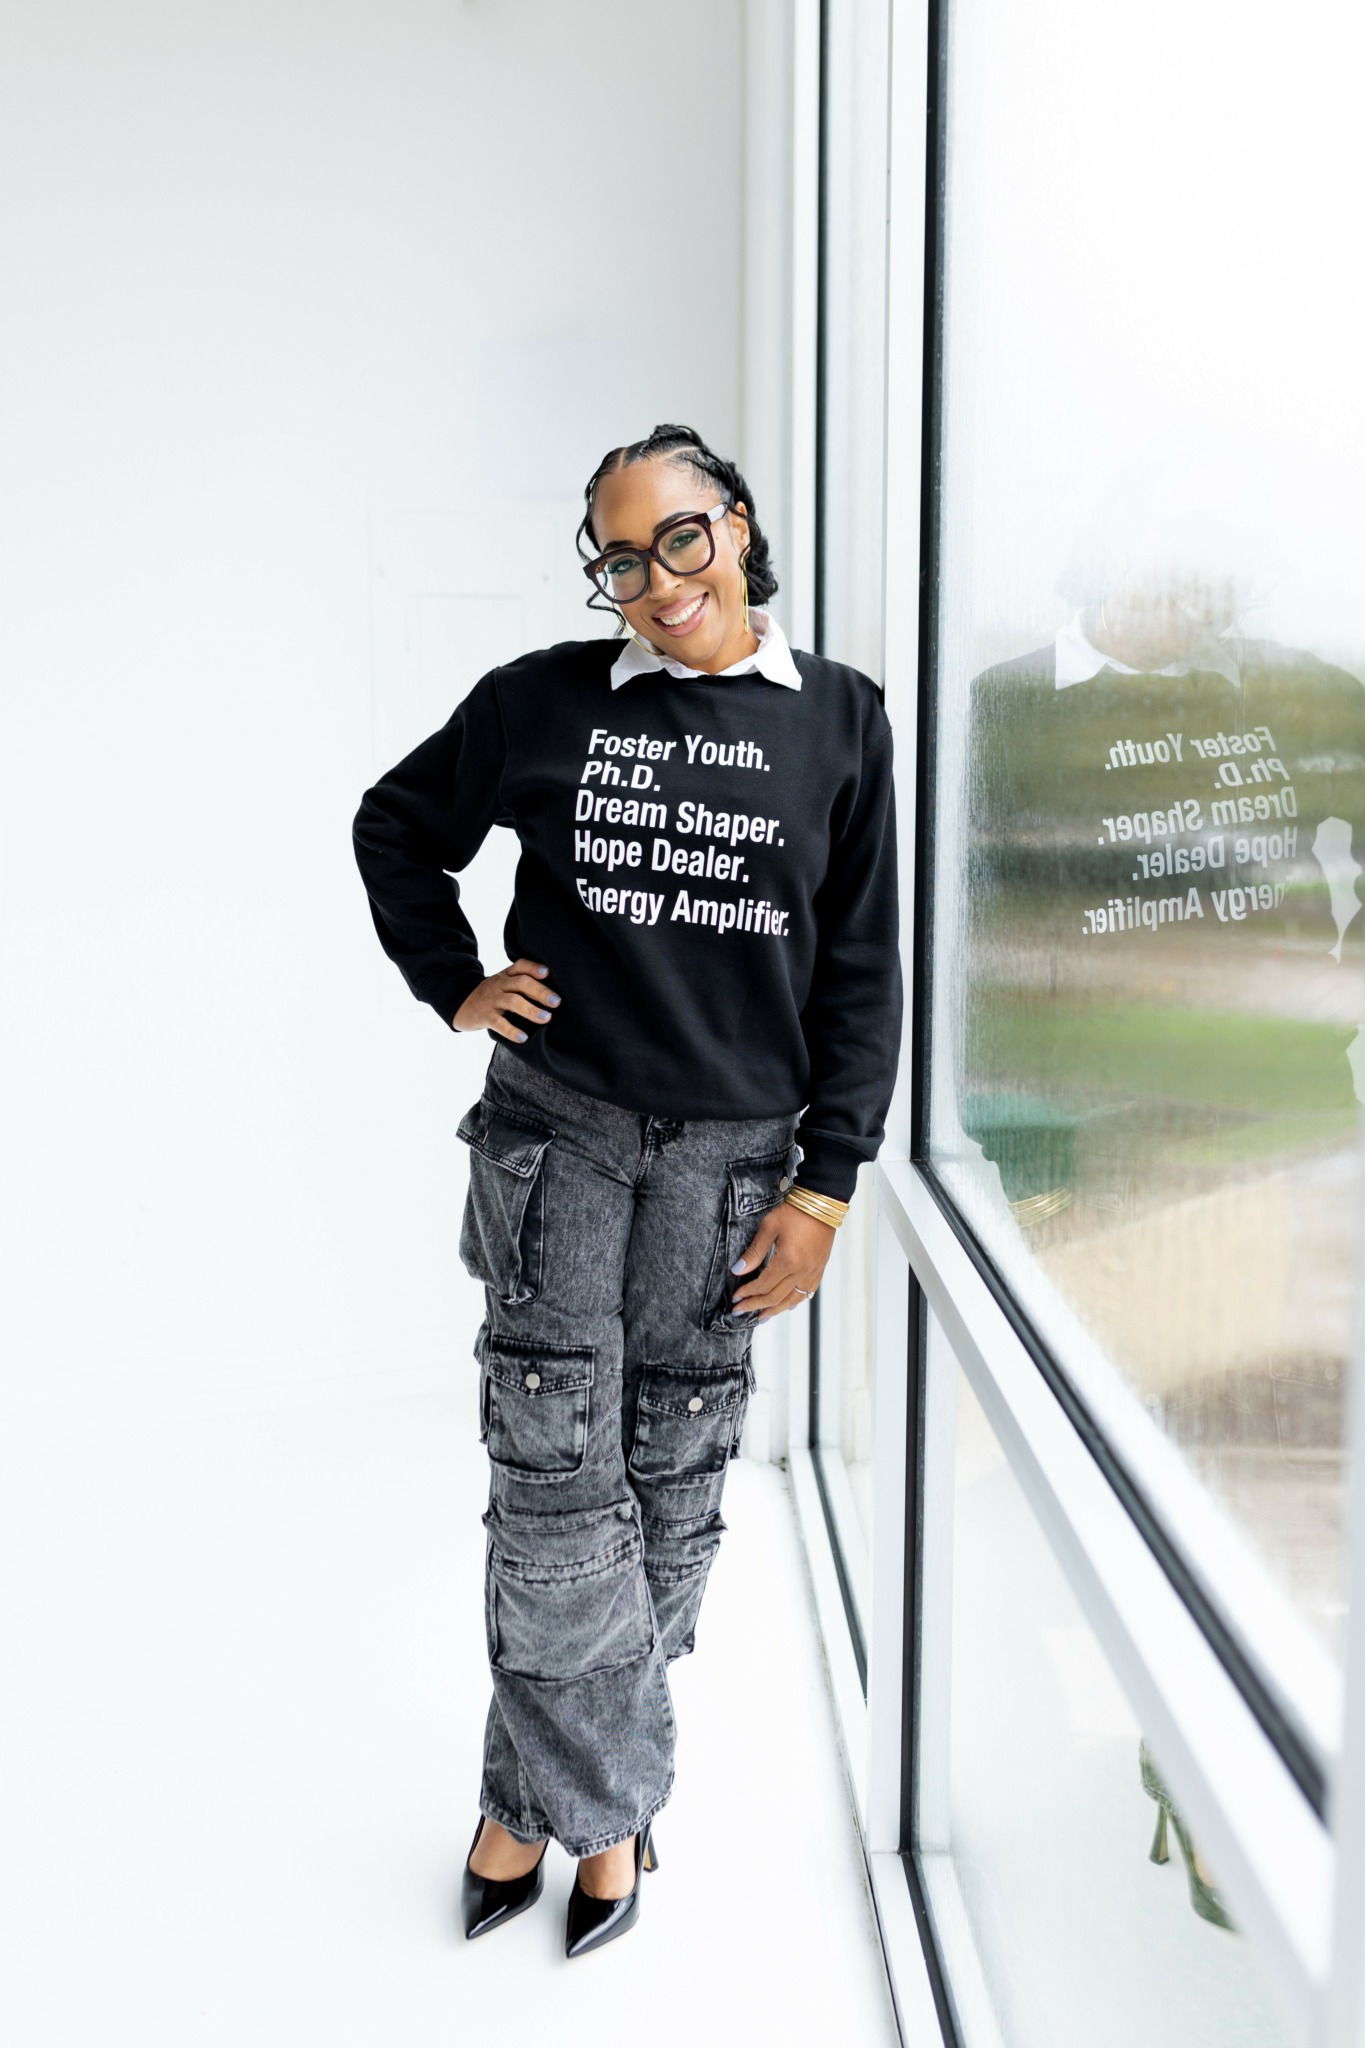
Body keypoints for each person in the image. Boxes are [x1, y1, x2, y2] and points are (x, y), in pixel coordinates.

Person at [351, 422, 901, 1958]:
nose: (656, 580)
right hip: (561, 1140)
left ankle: (523, 1806)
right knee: (552, 1488)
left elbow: (861, 969)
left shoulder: (840, 721)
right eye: (618, 557)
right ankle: (610, 1818)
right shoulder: (540, 700)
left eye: (680, 537)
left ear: (738, 526)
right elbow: (395, 825)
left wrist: (827, 1186)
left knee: (668, 1487)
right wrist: (453, 981)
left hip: (732, 1170)